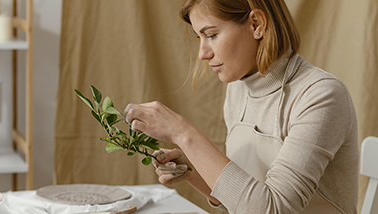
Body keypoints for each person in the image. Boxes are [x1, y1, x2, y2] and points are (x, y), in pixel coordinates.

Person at [123, 0, 359, 213]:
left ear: (256, 24)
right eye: (199, 37)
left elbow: (274, 209)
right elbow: (246, 202)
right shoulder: (238, 88)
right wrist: (194, 173)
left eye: (212, 35)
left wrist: (184, 134)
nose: (203, 53)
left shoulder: (321, 95)